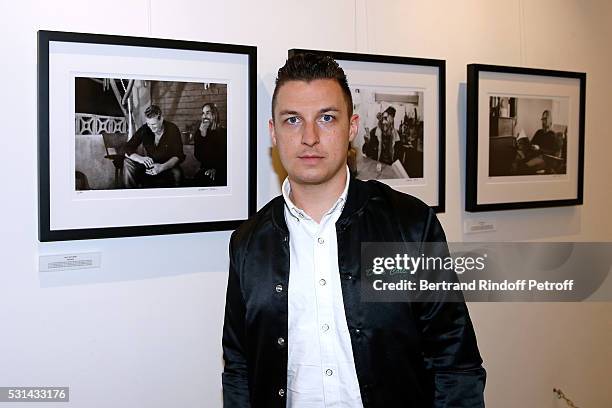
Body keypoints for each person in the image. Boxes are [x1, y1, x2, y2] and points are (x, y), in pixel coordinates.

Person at [222, 53, 485, 407]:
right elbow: (239, 366)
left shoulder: (409, 225)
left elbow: (454, 361)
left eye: (326, 118)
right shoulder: (248, 243)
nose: (310, 137)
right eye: (293, 120)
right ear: (274, 132)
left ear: (352, 127)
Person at [122, 105, 185, 188]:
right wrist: (140, 159)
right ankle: (131, 196)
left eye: (154, 124)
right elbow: (127, 148)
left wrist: (161, 167)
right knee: (127, 163)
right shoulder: (145, 129)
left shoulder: (172, 129)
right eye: (148, 124)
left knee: (177, 173)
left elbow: (178, 156)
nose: (151, 128)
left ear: (161, 119)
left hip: (167, 166)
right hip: (150, 165)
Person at [193, 103, 228, 186]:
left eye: (207, 113)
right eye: (203, 113)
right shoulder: (199, 133)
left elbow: (224, 156)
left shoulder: (223, 133)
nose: (204, 116)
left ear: (214, 115)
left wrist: (216, 169)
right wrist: (203, 135)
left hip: (222, 169)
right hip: (205, 168)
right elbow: (198, 155)